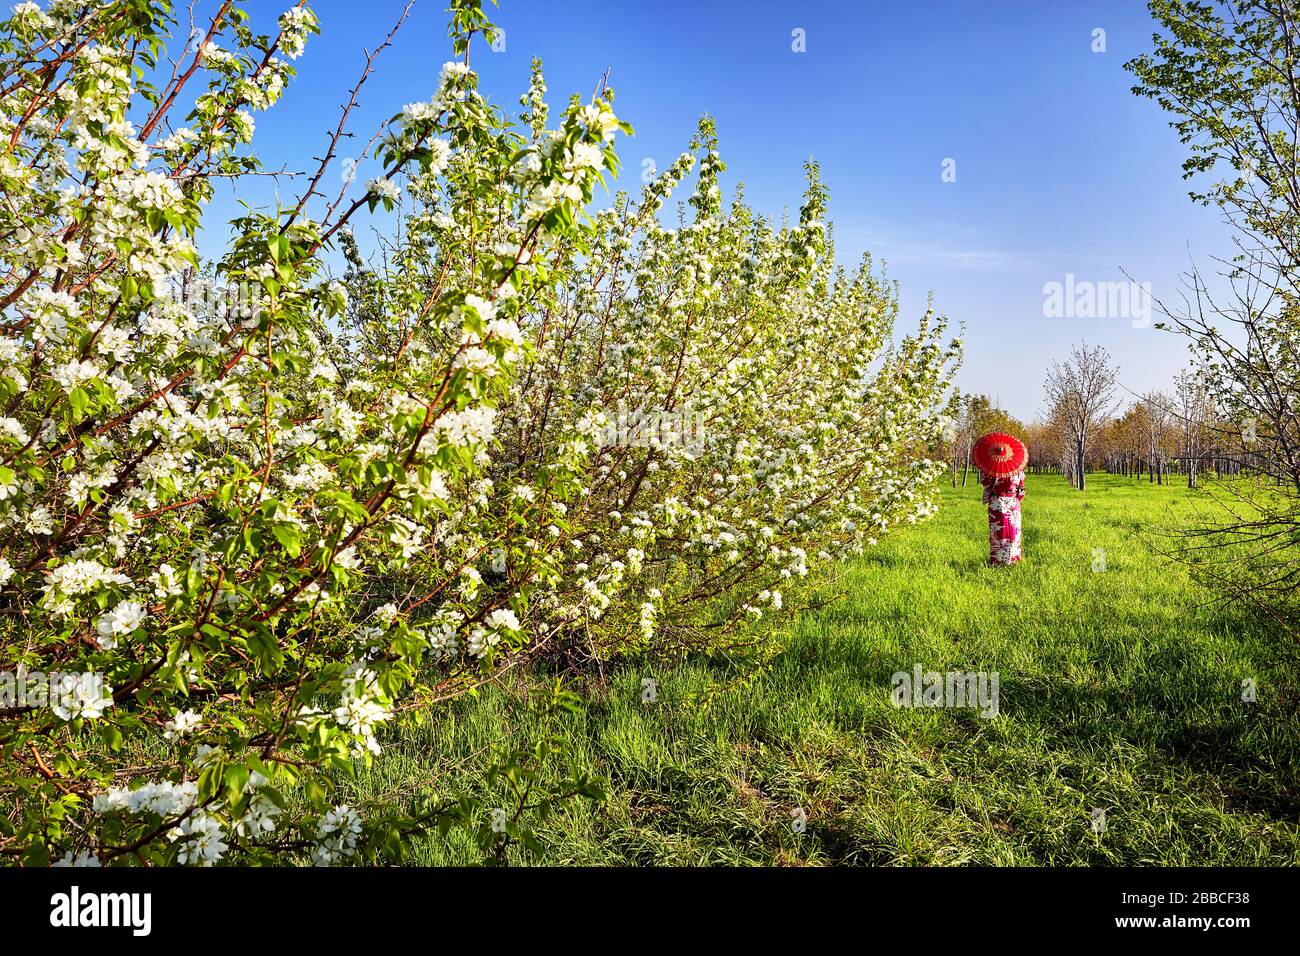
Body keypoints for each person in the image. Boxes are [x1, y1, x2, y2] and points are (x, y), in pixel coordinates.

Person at [980, 468, 1025, 565]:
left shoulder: (992, 468)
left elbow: (985, 482)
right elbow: (1021, 487)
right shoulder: (1017, 468)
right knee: (1013, 533)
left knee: (999, 533)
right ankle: (1013, 559)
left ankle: (998, 561)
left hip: (997, 502)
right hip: (1013, 502)